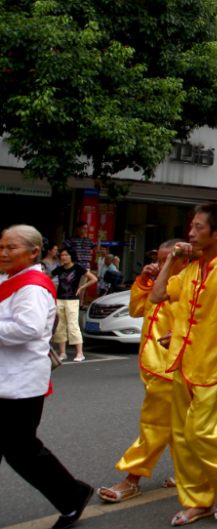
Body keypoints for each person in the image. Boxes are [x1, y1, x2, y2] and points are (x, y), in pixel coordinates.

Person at [149, 203, 217, 525]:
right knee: (180, 436)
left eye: (198, 228)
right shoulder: (192, 268)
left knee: (200, 434)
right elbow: (157, 296)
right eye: (190, 227)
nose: (191, 233)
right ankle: (197, 500)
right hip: (182, 363)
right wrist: (171, 261)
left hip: (213, 368)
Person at [0, 224, 94, 529]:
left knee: (22, 451)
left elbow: (28, 328)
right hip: (7, 379)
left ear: (32, 252)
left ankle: (73, 494)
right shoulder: (10, 279)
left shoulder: (33, 286)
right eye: (1, 246)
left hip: (20, 385)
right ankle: (72, 494)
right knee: (18, 450)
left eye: (10, 248)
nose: (3, 253)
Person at [97, 240, 186, 503]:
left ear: (184, 261)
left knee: (154, 426)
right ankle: (187, 473)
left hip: (169, 368)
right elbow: (137, 309)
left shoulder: (189, 286)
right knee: (176, 426)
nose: (160, 265)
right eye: (158, 260)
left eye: (167, 260)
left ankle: (131, 479)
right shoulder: (158, 284)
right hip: (151, 363)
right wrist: (145, 281)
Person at [51, 248, 96, 363]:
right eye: (61, 255)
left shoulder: (78, 268)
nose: (63, 257)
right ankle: (62, 353)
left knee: (72, 324)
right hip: (60, 299)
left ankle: (79, 353)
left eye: (66, 255)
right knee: (60, 325)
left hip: (72, 299)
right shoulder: (59, 269)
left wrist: (81, 288)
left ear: (71, 256)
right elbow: (47, 278)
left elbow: (93, 279)